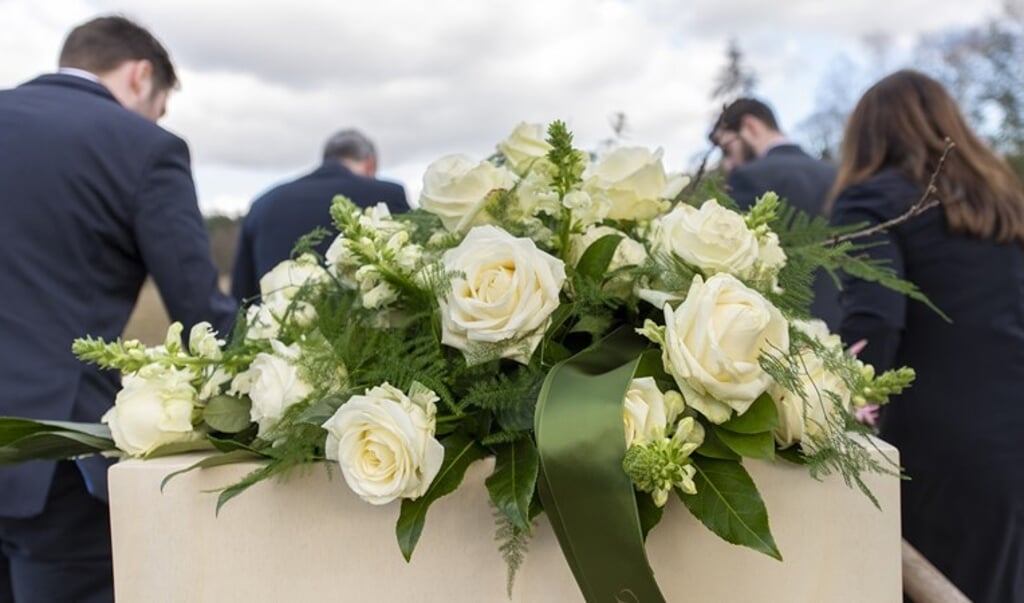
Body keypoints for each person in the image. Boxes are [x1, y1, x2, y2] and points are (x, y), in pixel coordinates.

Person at [0, 15, 236, 602]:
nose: (158, 120)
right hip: (49, 456)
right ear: (141, 76)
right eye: (160, 106)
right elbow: (201, 312)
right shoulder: (145, 148)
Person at [829, 69, 1024, 602]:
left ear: (868, 135)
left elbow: (874, 324)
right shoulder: (1000, 207)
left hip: (937, 453)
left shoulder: (869, 201)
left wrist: (832, 414)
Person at [230, 129, 409, 303]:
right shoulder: (389, 196)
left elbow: (241, 296)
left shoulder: (264, 204)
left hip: (273, 328)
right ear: (370, 164)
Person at [710, 98, 841, 329]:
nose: (729, 164)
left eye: (727, 149)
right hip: (843, 322)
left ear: (750, 126)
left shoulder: (749, 178)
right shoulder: (836, 174)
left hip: (787, 329)